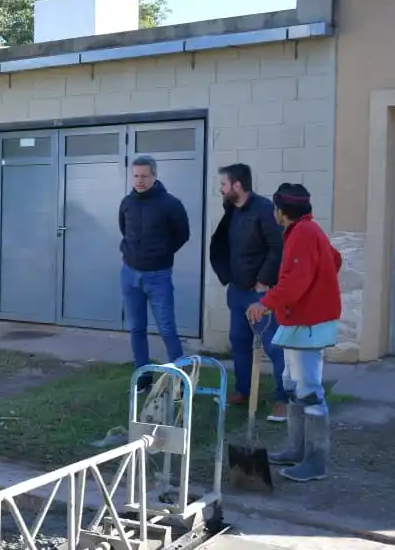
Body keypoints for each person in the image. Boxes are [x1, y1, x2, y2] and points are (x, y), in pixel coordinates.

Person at [246, 183, 342, 483]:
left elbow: (297, 281)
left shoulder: (302, 233)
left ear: (281, 211)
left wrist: (265, 303)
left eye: (275, 208)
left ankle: (315, 461)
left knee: (308, 390)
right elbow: (334, 260)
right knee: (292, 385)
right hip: (298, 321)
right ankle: (295, 449)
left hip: (308, 323)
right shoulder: (307, 230)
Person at [208, 164, 289, 422]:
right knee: (239, 342)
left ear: (237, 185)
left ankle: (284, 400)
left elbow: (278, 246)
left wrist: (264, 280)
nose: (220, 189)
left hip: (260, 295)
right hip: (237, 291)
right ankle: (243, 392)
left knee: (274, 346)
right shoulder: (232, 209)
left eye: (223, 184)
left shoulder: (264, 210)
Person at [118, 155, 191, 386]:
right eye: (136, 176)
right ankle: (143, 378)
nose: (139, 181)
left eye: (144, 176)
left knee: (167, 328)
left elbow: (183, 234)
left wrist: (161, 253)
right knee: (136, 328)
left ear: (154, 176)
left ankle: (180, 380)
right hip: (130, 274)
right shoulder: (127, 203)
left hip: (158, 275)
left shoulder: (170, 204)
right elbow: (124, 228)